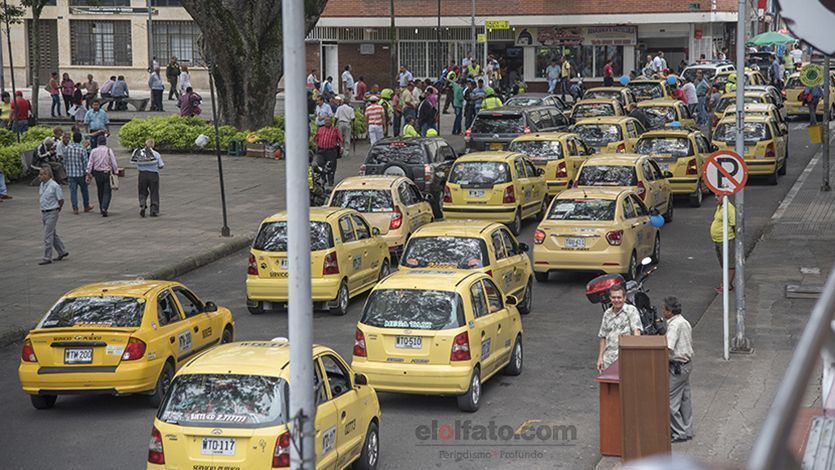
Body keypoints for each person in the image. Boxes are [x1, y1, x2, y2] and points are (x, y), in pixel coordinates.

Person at [662, 296, 694, 443]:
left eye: (664, 309)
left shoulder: (674, 325)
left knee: (670, 401)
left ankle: (678, 432)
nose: (662, 311)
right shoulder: (684, 321)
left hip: (677, 367)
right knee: (685, 399)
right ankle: (687, 430)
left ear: (670, 311)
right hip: (687, 365)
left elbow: (667, 347)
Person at [596, 284, 643, 371]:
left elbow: (637, 333)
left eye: (619, 297)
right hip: (608, 360)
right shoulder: (607, 314)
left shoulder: (631, 310)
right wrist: (600, 358)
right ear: (610, 298)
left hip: (625, 359)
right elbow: (603, 337)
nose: (616, 300)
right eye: (614, 297)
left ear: (624, 298)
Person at [37, 166, 68, 265]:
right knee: (52, 234)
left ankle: (47, 257)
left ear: (47, 175)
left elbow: (61, 199)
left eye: (41, 174)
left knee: (48, 235)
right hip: (44, 211)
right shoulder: (42, 184)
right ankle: (62, 251)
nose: (39, 176)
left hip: (52, 211)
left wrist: (58, 208)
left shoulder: (54, 186)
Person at [86, 136, 118, 217]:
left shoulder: (93, 151)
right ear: (105, 142)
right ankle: (104, 207)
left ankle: (101, 207)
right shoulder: (108, 150)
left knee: (100, 190)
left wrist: (88, 172)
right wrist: (116, 171)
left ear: (98, 142)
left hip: (97, 173)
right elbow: (113, 162)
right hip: (106, 172)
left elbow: (90, 163)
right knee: (107, 191)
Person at [710, 196, 736, 292]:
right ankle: (726, 283)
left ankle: (727, 285)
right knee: (724, 263)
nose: (715, 198)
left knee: (730, 263)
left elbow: (734, 224)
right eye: (715, 195)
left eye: (718, 196)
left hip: (727, 240)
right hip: (718, 240)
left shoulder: (729, 208)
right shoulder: (720, 206)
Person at [133, 139, 164, 217]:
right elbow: (161, 165)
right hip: (153, 174)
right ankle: (154, 209)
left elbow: (135, 162)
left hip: (142, 174)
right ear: (153, 145)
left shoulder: (139, 153)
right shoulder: (156, 154)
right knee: (154, 192)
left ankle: (142, 203)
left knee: (142, 191)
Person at [64, 132, 93, 214]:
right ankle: (86, 206)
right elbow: (85, 163)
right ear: (80, 140)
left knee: (73, 192)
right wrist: (88, 173)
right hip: (80, 174)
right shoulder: (82, 149)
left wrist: (67, 169)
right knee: (84, 190)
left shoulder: (67, 148)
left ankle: (75, 208)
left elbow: (64, 161)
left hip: (70, 173)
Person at [314, 118, 341, 187]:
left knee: (331, 166)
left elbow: (340, 139)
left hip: (331, 151)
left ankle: (330, 181)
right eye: (326, 121)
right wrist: (316, 147)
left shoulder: (335, 130)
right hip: (321, 150)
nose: (327, 122)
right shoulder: (320, 129)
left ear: (331, 122)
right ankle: (323, 179)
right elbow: (316, 139)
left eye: (329, 121)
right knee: (320, 164)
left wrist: (341, 148)